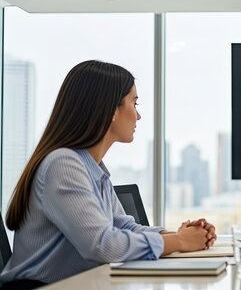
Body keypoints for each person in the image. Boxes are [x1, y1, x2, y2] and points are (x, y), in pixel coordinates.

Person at [0, 60, 217, 287]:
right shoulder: (63, 164)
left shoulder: (93, 168)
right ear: (111, 110)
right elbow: (103, 246)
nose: (138, 116)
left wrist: (178, 235)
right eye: (134, 103)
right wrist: (180, 241)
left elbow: (125, 227)